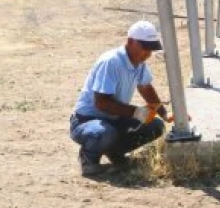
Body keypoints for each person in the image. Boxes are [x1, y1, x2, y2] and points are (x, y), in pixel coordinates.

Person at [69, 21, 169, 177]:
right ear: (130, 41)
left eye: (151, 49)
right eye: (144, 48)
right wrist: (137, 112)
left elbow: (146, 88)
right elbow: (101, 102)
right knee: (103, 132)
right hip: (86, 121)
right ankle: (88, 160)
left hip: (114, 119)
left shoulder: (139, 63)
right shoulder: (111, 62)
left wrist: (163, 113)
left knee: (155, 126)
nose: (148, 53)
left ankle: (115, 153)